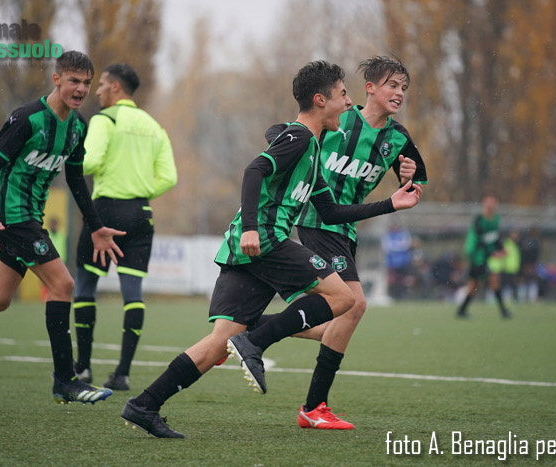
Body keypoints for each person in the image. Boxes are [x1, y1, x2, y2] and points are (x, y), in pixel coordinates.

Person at [120, 60, 423, 438]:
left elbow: (331, 211)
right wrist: (251, 228)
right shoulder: (300, 138)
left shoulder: (313, 151)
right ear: (321, 100)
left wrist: (390, 204)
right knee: (344, 298)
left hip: (247, 249)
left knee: (219, 344)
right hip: (265, 240)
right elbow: (254, 171)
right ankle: (255, 342)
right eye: (343, 95)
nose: (349, 103)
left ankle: (145, 404)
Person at [0, 51, 125, 404]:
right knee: (63, 284)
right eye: (74, 81)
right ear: (56, 79)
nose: (81, 89)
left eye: (87, 83)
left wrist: (96, 226)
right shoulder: (28, 118)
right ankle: (65, 380)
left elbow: (75, 178)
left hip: (30, 219)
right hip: (12, 217)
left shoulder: (77, 126)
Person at [262, 56, 427, 429]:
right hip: (316, 220)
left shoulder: (398, 138)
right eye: (392, 85)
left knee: (336, 316)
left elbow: (415, 186)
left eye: (404, 88)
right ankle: (313, 406)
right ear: (370, 88)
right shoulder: (339, 118)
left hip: (346, 230)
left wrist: (408, 176)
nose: (399, 93)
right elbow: (278, 132)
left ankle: (253, 326)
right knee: (354, 305)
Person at [72, 63, 177, 391]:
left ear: (116, 87)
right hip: (140, 212)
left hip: (104, 212)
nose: (98, 91)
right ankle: (122, 373)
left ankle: (83, 368)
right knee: (133, 293)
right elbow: (169, 177)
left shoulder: (105, 119)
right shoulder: (154, 126)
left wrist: (68, 157)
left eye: (102, 84)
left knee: (85, 285)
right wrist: (140, 190)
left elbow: (90, 161)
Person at [456, 193, 512, 319]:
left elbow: (495, 238)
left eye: (493, 202)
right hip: (478, 257)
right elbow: (479, 240)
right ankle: (504, 311)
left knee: (474, 285)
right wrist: (494, 253)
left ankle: (462, 310)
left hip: (485, 257)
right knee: (493, 279)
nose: (490, 205)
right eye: (488, 202)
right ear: (484, 204)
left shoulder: (496, 219)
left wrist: (501, 249)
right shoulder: (479, 219)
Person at [518, 227, 540, 302]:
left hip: (527, 264)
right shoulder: (533, 242)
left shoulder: (526, 241)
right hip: (529, 264)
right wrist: (530, 263)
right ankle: (529, 298)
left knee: (526, 280)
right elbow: (533, 254)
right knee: (529, 280)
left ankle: (526, 297)